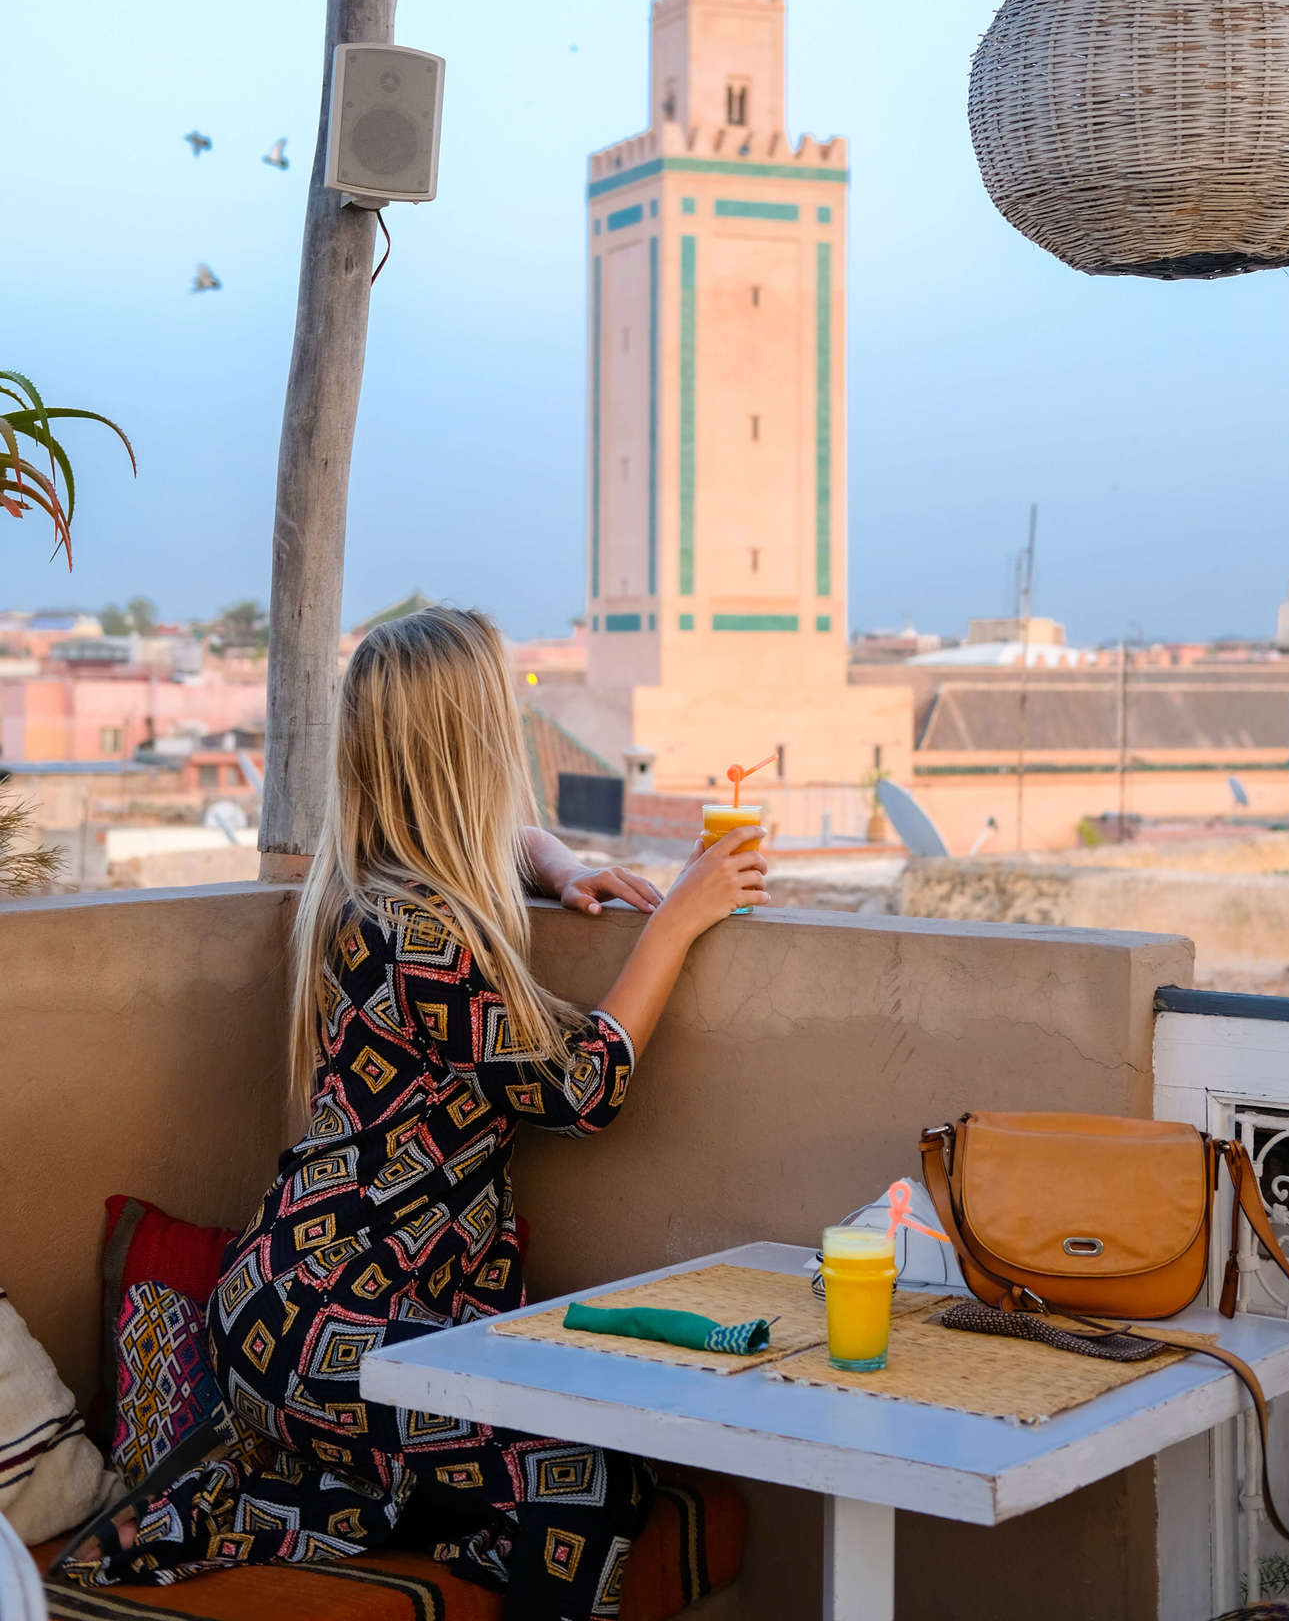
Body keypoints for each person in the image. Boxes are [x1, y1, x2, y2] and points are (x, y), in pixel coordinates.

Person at [61, 607, 767, 1618]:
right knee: (585, 1481)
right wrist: (685, 914)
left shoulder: (380, 888)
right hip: (324, 1326)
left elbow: (503, 840)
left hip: (299, 1304)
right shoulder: (423, 937)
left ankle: (243, 1506)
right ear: (470, 748)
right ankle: (240, 1507)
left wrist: (558, 862)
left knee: (568, 1465)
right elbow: (584, 1085)